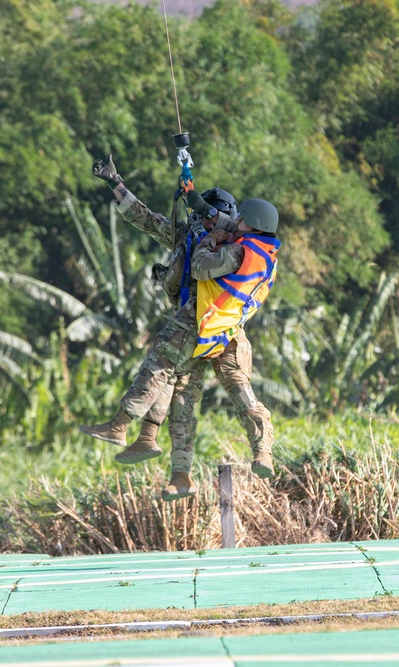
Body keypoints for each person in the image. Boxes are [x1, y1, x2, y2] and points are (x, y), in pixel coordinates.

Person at [81, 155, 277, 500]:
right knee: (183, 397)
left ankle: (128, 427)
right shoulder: (194, 234)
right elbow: (147, 220)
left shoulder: (232, 242)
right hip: (206, 326)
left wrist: (210, 236)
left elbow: (208, 262)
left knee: (165, 370)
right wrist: (117, 184)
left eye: (213, 216)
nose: (204, 220)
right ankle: (179, 472)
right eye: (201, 216)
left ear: (236, 219)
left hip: (216, 330)